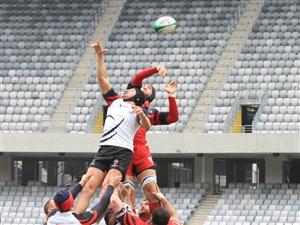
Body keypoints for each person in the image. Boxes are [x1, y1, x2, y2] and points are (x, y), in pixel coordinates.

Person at [74, 41, 151, 214]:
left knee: (106, 189)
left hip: (122, 152)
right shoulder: (115, 101)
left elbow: (147, 126)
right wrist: (99, 56)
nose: (126, 90)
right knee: (88, 187)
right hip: (104, 149)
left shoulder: (137, 110)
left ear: (137, 97)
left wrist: (142, 114)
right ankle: (75, 220)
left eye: (130, 91)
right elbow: (102, 79)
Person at [123, 66, 179, 218]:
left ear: (150, 96)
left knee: (152, 190)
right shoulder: (130, 99)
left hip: (141, 152)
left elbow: (173, 118)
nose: (144, 86)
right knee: (127, 193)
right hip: (124, 151)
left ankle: (156, 222)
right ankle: (132, 221)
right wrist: (155, 69)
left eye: (148, 87)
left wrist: (171, 96)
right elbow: (138, 77)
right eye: (143, 86)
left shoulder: (151, 112)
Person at [44, 174, 119, 225]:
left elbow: (66, 200)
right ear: (72, 204)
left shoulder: (50, 218)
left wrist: (82, 183)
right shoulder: (79, 219)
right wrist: (111, 185)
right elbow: (101, 206)